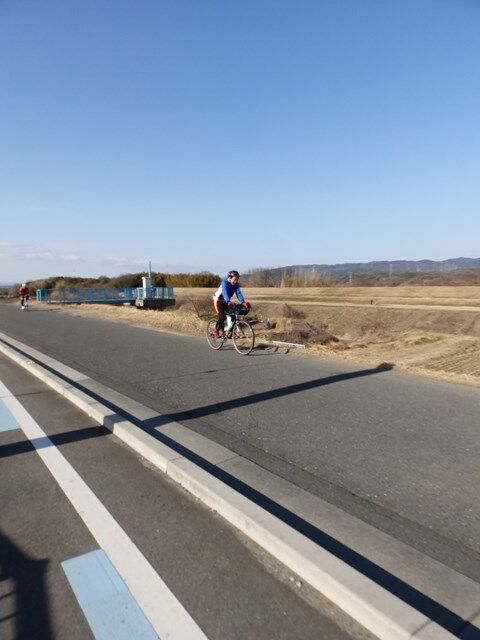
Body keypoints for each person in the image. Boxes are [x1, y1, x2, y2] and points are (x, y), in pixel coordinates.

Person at [212, 270, 250, 338]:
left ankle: (231, 333)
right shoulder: (225, 282)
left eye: (237, 280)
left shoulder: (235, 285)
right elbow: (225, 292)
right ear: (230, 278)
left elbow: (238, 293)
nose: (236, 281)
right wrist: (228, 301)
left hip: (226, 302)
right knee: (222, 317)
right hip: (218, 301)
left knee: (233, 316)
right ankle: (216, 331)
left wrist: (243, 302)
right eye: (235, 279)